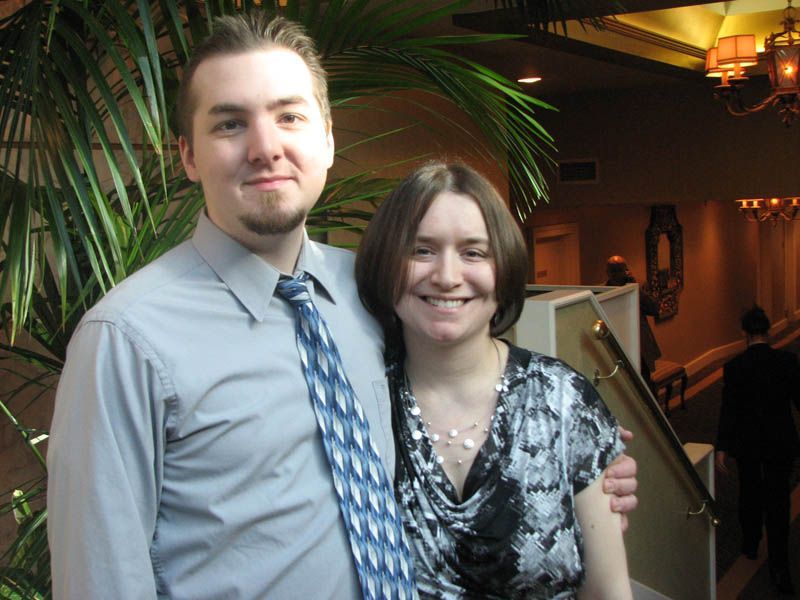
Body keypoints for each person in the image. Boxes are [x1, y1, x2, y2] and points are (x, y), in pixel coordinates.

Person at [46, 14, 638, 599]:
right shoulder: (126, 339)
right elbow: (99, 578)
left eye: (290, 117)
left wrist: (575, 467)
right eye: (230, 124)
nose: (265, 147)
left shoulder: (371, 288)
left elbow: (458, 381)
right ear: (188, 156)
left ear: (327, 138)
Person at [356, 162, 633, 598]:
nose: (447, 277)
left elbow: (608, 592)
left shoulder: (563, 401)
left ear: (503, 271)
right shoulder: (358, 405)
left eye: (473, 252)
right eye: (421, 250)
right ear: (386, 265)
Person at [716, 305, 800, 595]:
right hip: (781, 441)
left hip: (748, 443)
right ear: (769, 330)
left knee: (749, 491)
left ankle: (750, 543)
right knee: (779, 500)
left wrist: (722, 447)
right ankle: (780, 566)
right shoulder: (788, 362)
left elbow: (729, 411)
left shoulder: (735, 367)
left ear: (744, 333)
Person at [605, 255, 662, 387]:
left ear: (626, 270)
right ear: (607, 272)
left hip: (639, 343)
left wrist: (635, 288)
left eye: (620, 270)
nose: (616, 275)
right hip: (616, 343)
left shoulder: (638, 287)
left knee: (644, 384)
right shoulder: (602, 292)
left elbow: (654, 309)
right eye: (613, 271)